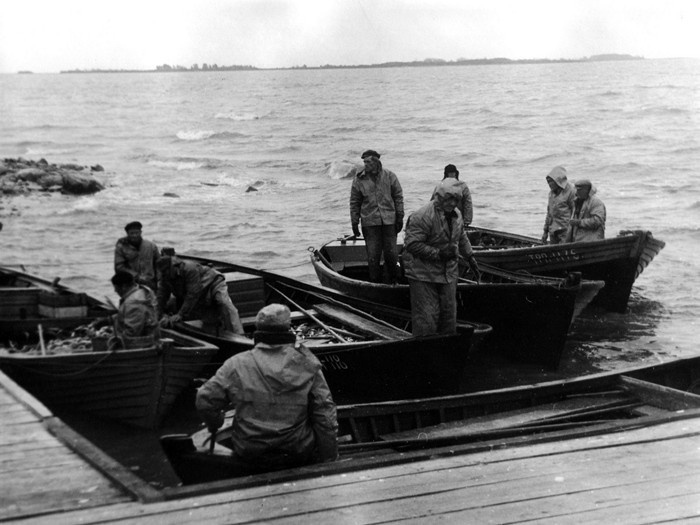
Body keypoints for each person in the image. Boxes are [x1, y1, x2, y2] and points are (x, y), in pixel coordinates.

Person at [196, 303, 338, 473]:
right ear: (288, 330)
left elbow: (205, 400)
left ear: (258, 331)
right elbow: (325, 415)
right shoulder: (307, 363)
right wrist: (329, 458)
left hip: (251, 453)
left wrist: (216, 422)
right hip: (297, 452)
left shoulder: (236, 364)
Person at [402, 179, 481, 337]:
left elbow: (462, 236)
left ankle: (446, 351)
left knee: (449, 317)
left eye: (455, 200)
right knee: (427, 318)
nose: (452, 203)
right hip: (423, 274)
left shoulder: (457, 215)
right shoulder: (422, 216)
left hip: (448, 273)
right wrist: (438, 254)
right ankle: (425, 351)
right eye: (448, 199)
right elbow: (412, 244)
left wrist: (470, 256)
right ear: (439, 198)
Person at [349, 149, 404, 284]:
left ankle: (395, 281)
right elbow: (354, 202)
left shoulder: (390, 176)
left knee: (391, 255)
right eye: (364, 162)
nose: (365, 165)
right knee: (373, 256)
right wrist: (354, 223)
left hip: (389, 221)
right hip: (370, 223)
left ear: (376, 162)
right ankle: (375, 282)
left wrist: (400, 217)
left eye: (368, 162)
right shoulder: (359, 179)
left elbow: (398, 197)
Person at [156, 254, 245, 335]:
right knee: (209, 324)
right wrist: (156, 316)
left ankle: (240, 334)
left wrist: (180, 314)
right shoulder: (165, 278)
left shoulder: (189, 269)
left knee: (223, 303)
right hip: (201, 295)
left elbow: (192, 294)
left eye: (165, 272)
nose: (163, 275)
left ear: (172, 267)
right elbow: (161, 297)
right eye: (162, 273)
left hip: (213, 284)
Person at [109, 270, 160, 349]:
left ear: (124, 286)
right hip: (149, 339)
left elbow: (132, 332)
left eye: (116, 288)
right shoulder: (139, 291)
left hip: (142, 346)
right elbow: (131, 316)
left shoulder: (133, 303)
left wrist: (115, 342)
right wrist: (111, 319)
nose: (115, 291)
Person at [114, 221, 160, 290]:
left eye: (136, 233)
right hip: (131, 283)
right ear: (127, 234)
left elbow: (159, 264)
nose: (134, 235)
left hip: (150, 282)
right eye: (132, 233)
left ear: (140, 232)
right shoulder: (121, 248)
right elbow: (119, 267)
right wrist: (136, 276)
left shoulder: (151, 246)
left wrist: (159, 281)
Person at [541, 166, 575, 244]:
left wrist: (573, 231)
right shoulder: (551, 194)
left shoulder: (571, 192)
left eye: (551, 181)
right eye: (548, 182)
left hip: (565, 231)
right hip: (553, 230)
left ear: (558, 181)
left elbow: (576, 212)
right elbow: (549, 213)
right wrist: (545, 231)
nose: (549, 184)